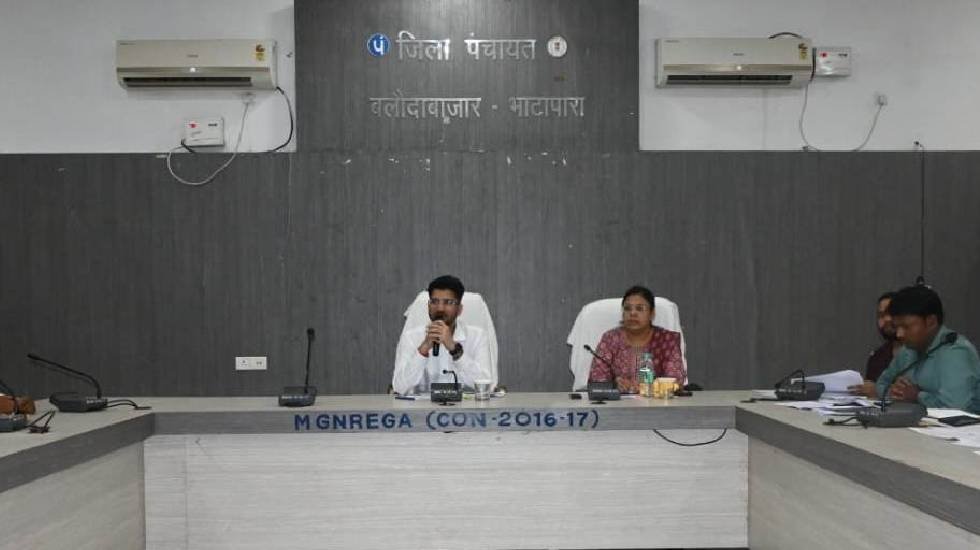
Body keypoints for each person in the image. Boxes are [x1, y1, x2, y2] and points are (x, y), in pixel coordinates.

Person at [875, 285, 980, 413]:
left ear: (931, 322)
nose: (899, 334)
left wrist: (917, 396)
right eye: (896, 327)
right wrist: (896, 392)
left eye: (906, 327)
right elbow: (881, 385)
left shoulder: (956, 351)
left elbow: (955, 408)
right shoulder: (908, 350)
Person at [391, 275, 492, 396]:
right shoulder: (411, 338)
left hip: (465, 407)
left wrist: (455, 350)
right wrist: (423, 349)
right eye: (434, 302)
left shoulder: (478, 337)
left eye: (448, 302)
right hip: (422, 407)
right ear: (428, 306)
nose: (440, 308)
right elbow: (399, 387)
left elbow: (486, 386)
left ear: (459, 309)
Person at [588, 285, 685, 394]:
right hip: (618, 402)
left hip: (658, 402)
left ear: (652, 313)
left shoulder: (667, 341)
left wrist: (650, 387)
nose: (632, 313)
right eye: (627, 308)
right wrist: (614, 384)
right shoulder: (610, 339)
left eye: (639, 308)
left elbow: (676, 380)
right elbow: (596, 378)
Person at [849, 291, 902, 397]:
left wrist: (880, 391)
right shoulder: (877, 356)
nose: (886, 319)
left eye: (890, 313)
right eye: (881, 315)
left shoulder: (921, 352)